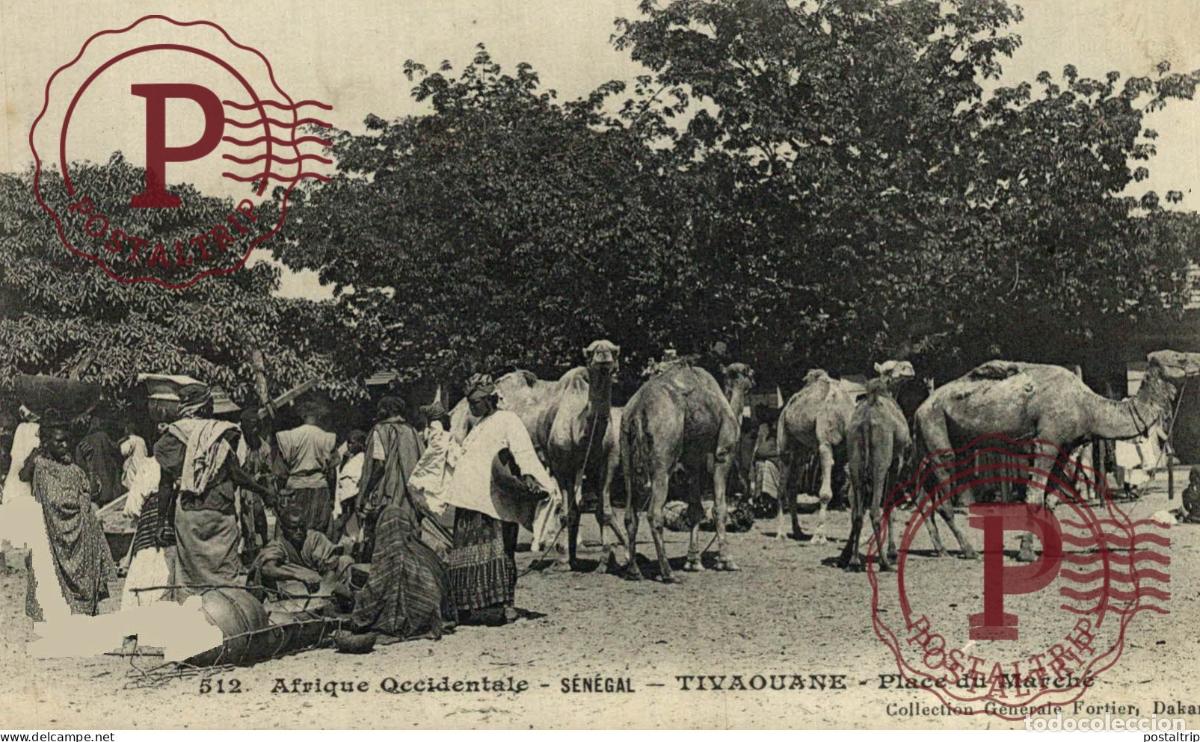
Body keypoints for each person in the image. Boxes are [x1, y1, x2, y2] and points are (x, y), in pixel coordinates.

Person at [441, 374, 558, 626]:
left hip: (492, 501)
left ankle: (502, 604)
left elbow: (522, 451)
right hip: (469, 499)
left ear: (491, 399)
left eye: (477, 402)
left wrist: (532, 478)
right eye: (470, 402)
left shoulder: (507, 419)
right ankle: (469, 606)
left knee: (499, 551)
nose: (472, 407)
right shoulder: (479, 424)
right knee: (467, 553)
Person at [153, 384, 273, 596]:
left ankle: (193, 615)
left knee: (191, 575)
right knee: (225, 574)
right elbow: (236, 473)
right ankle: (231, 613)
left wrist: (161, 521)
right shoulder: (220, 433)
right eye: (210, 404)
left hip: (188, 514)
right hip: (219, 512)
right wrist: (263, 491)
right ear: (204, 407)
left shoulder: (171, 436)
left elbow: (165, 485)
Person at [20, 413, 115, 617]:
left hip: (82, 537)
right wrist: (36, 451)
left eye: (66, 440)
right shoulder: (41, 466)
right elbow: (25, 477)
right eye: (58, 441)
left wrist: (89, 463)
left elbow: (91, 490)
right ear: (47, 442)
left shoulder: (72, 469)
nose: (64, 445)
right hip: (54, 539)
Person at [356, 396, 424, 562]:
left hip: (387, 491)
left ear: (384, 411)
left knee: (384, 533)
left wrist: (365, 492)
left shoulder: (380, 430)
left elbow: (378, 464)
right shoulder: (412, 432)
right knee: (407, 534)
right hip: (409, 493)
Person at [250, 507, 354, 598]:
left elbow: (331, 566)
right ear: (283, 529)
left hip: (320, 582)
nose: (299, 532)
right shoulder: (278, 544)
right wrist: (298, 575)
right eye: (293, 528)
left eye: (302, 527)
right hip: (294, 584)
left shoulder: (314, 538)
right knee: (278, 569)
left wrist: (324, 590)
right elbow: (267, 569)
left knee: (345, 560)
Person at [275, 402, 338, 536]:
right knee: (320, 529)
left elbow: (280, 472)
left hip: (295, 488)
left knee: (293, 528)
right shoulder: (326, 437)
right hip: (320, 488)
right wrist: (332, 497)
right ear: (318, 417)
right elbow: (332, 472)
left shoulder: (290, 437)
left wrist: (280, 493)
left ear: (302, 416)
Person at [408, 401, 460, 518]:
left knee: (431, 482)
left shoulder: (434, 426)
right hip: (440, 456)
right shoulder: (437, 426)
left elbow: (437, 444)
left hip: (438, 456)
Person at [234, 407, 273, 561]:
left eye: (258, 425)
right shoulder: (237, 444)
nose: (256, 429)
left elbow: (268, 473)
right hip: (237, 488)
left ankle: (263, 548)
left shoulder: (263, 447)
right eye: (252, 426)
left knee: (258, 516)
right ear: (244, 427)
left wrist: (268, 490)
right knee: (241, 521)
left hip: (254, 489)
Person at [75, 414, 123, 507]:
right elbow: (114, 449)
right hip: (106, 477)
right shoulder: (102, 436)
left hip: (93, 483)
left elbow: (80, 467)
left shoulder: (80, 445)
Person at [332, 429, 366, 540]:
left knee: (351, 531)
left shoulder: (361, 459)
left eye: (352, 443)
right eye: (348, 442)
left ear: (360, 444)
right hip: (342, 500)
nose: (349, 445)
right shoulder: (349, 458)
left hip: (351, 501)